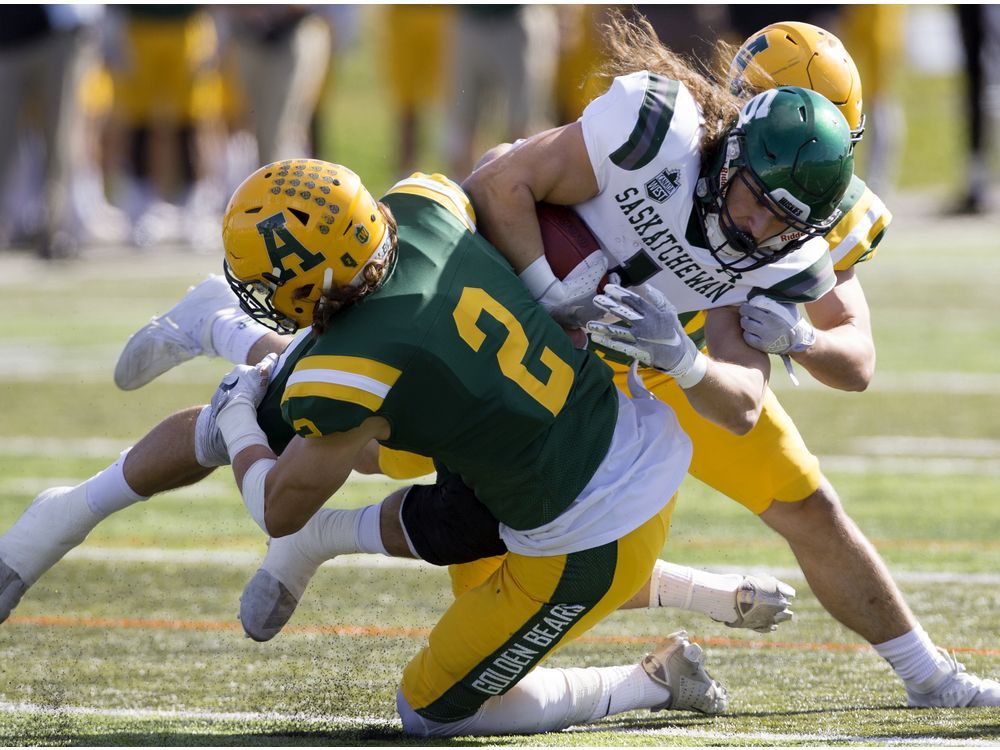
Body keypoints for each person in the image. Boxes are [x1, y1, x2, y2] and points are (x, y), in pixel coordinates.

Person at [464, 14, 999, 710]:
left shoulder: (810, 200)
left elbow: (855, 358)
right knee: (484, 528)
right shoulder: (668, 130)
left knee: (809, 505)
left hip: (686, 361)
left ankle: (929, 674)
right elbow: (504, 179)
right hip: (559, 339)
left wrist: (800, 339)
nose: (805, 151)